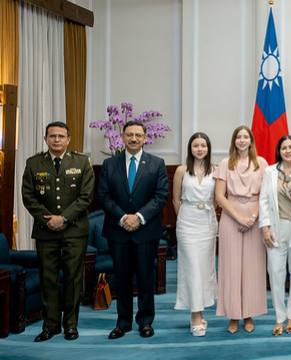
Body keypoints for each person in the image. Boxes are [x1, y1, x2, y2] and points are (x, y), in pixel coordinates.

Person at [21, 121, 94, 342]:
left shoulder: (82, 162)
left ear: (68, 139)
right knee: (48, 279)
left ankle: (71, 325)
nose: (57, 140)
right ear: (46, 139)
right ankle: (50, 325)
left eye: (61, 136)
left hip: (74, 231)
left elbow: (86, 197)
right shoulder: (33, 163)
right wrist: (49, 219)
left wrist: (64, 218)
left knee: (73, 279)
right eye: (52, 136)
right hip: (46, 232)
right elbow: (28, 196)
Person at [98, 120, 168, 339]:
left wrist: (138, 217)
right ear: (123, 137)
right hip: (118, 232)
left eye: (138, 135)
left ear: (145, 137)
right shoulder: (110, 164)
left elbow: (161, 196)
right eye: (130, 134)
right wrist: (122, 217)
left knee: (146, 278)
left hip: (145, 231)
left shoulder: (157, 163)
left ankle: (145, 322)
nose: (134, 138)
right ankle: (123, 322)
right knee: (122, 278)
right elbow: (103, 196)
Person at [214, 126, 268, 334]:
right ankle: (234, 315)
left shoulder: (261, 163)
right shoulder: (225, 163)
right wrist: (239, 217)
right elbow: (220, 196)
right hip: (230, 217)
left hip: (256, 216)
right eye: (239, 137)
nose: (242, 140)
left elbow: (265, 194)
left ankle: (249, 314)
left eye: (246, 137)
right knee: (231, 267)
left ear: (251, 140)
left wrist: (252, 217)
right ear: (234, 140)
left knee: (252, 268)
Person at [259, 135, 291, 337]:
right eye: (284, 148)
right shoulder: (269, 171)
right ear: (279, 151)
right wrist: (265, 227)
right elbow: (263, 200)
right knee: (276, 274)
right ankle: (279, 318)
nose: (288, 151)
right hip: (275, 230)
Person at [173, 132, 217, 337]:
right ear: (190, 149)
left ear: (208, 148)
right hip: (187, 222)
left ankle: (203, 306)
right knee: (191, 267)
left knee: (205, 268)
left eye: (203, 145)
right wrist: (182, 219)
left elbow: (218, 198)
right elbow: (175, 200)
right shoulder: (182, 170)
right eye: (195, 145)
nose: (199, 149)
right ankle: (195, 315)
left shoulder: (215, 170)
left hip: (207, 222)